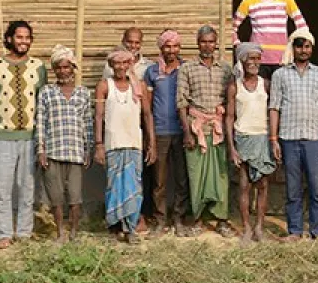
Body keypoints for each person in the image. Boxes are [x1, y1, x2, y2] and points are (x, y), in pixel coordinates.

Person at [0, 19, 47, 249]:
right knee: (3, 188)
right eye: (19, 37)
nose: (23, 41)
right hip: (3, 138)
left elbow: (42, 99)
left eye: (27, 37)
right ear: (9, 38)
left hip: (30, 137)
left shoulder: (38, 67)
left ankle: (25, 233)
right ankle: (4, 234)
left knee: (27, 188)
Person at [268, 32, 318, 240]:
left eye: (307, 47)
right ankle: (295, 230)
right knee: (292, 188)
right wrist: (274, 139)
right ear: (293, 48)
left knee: (316, 187)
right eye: (299, 46)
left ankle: (317, 230)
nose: (303, 50)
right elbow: (274, 107)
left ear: (311, 49)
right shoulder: (280, 75)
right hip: (289, 138)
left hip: (314, 138)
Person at [94, 47, 156, 242]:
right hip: (113, 143)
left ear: (130, 65)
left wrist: (151, 143)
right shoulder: (105, 86)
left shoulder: (139, 86)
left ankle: (130, 228)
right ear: (111, 65)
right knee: (113, 186)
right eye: (117, 63)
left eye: (124, 63)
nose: (121, 67)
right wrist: (98, 144)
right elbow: (98, 116)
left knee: (133, 188)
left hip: (134, 143)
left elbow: (147, 115)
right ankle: (115, 227)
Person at [178, 24, 233, 234]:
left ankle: (221, 219)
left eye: (211, 42)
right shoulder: (187, 68)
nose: (207, 46)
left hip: (218, 130)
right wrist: (187, 133)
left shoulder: (225, 69)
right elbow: (181, 102)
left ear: (216, 43)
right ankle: (198, 219)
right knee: (197, 176)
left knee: (221, 177)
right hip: (196, 129)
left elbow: (230, 101)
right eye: (203, 42)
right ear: (197, 43)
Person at [35, 45, 92, 243]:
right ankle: (60, 233)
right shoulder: (46, 92)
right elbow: (41, 122)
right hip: (53, 151)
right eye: (58, 67)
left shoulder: (83, 93)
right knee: (56, 197)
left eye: (66, 67)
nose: (62, 71)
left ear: (73, 68)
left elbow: (87, 123)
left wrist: (88, 149)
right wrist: (41, 149)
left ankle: (74, 232)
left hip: (75, 152)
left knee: (75, 197)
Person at [142, 30, 191, 236]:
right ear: (161, 48)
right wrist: (149, 136)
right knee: (159, 181)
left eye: (175, 46)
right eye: (167, 46)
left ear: (180, 47)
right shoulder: (152, 72)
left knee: (182, 178)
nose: (171, 50)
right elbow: (148, 107)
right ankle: (160, 219)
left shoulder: (186, 69)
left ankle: (179, 218)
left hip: (182, 131)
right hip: (160, 131)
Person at [226, 42, 275, 242]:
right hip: (243, 138)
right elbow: (229, 117)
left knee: (262, 185)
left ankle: (259, 227)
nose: (254, 63)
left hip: (262, 138)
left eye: (257, 59)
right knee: (244, 185)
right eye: (250, 59)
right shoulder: (234, 86)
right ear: (242, 61)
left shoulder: (266, 84)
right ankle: (246, 227)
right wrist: (232, 148)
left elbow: (274, 112)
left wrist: (274, 140)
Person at [233, 0, 309, 81]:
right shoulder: (248, 2)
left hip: (282, 59)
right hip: (258, 59)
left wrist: (293, 48)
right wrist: (240, 46)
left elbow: (302, 26)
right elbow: (231, 28)